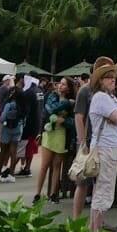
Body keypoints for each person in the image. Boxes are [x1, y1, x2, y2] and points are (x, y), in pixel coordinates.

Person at [87, 60, 117, 232]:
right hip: (105, 149)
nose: (112, 80)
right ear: (100, 81)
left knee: (102, 189)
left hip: (110, 148)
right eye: (107, 77)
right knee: (104, 191)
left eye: (113, 77)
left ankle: (93, 229)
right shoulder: (101, 97)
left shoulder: (111, 97)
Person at [72, 57, 116, 223]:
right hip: (89, 143)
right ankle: (76, 220)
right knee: (83, 182)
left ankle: (97, 219)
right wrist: (82, 142)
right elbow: (78, 117)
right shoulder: (85, 90)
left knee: (101, 184)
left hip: (104, 143)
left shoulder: (109, 92)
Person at [33, 76, 75, 204]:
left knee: (57, 165)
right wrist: (67, 103)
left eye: (63, 84)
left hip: (61, 133)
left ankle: (53, 193)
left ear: (68, 88)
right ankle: (38, 193)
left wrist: (64, 120)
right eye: (59, 83)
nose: (59, 86)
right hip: (49, 133)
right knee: (44, 164)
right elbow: (49, 109)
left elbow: (73, 120)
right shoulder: (52, 96)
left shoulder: (72, 100)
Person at [0, 74, 26, 182]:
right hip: (18, 127)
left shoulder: (9, 104)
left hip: (7, 128)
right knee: (14, 150)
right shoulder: (22, 105)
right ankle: (11, 174)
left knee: (3, 151)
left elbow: (2, 118)